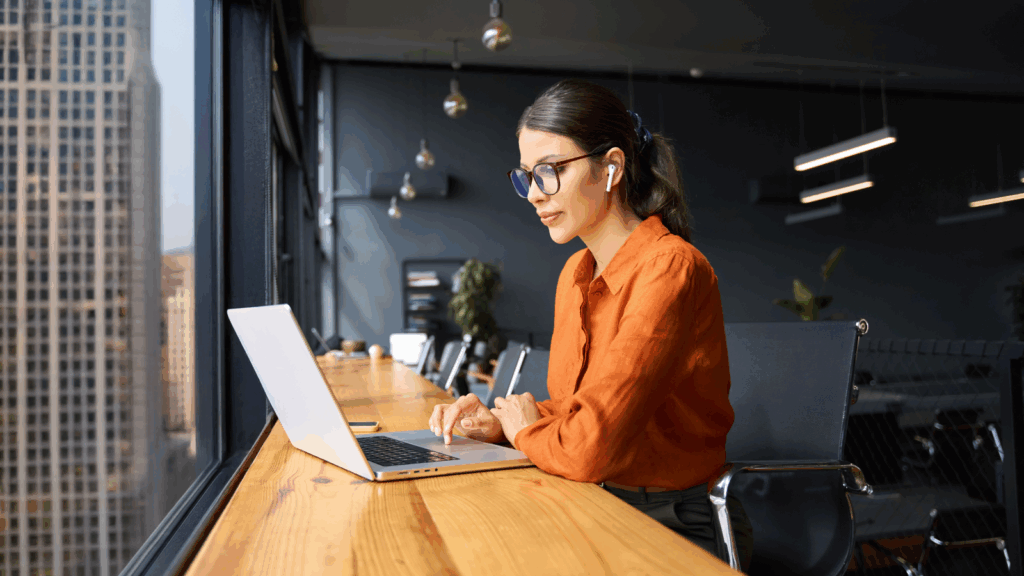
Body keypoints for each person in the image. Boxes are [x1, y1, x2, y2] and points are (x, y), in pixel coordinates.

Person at [427, 79, 753, 569]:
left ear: (611, 168)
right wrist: (500, 425)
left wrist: (523, 432)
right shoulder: (575, 274)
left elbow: (590, 448)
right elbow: (578, 408)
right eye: (526, 177)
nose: (534, 195)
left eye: (549, 172)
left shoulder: (671, 268)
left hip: (671, 524)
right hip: (592, 498)